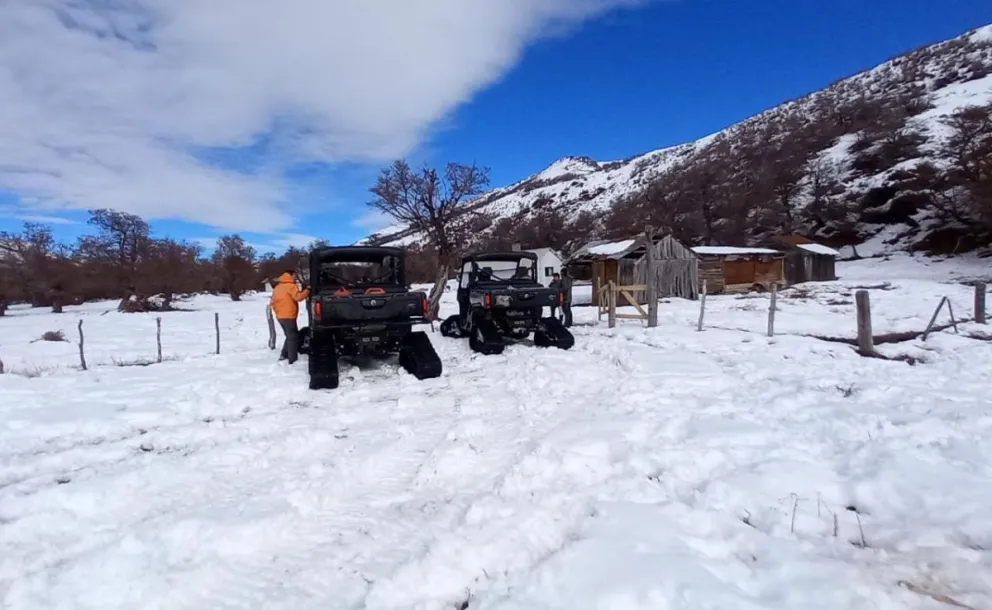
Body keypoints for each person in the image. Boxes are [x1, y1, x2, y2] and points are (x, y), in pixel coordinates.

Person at [271, 270, 310, 364]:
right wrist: (308, 290)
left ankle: (284, 354)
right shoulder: (290, 286)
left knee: (290, 336)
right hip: (288, 316)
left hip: (280, 316)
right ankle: (292, 360)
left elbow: (272, 302)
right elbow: (298, 297)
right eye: (294, 275)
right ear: (290, 275)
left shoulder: (278, 287)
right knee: (293, 337)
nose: (295, 277)